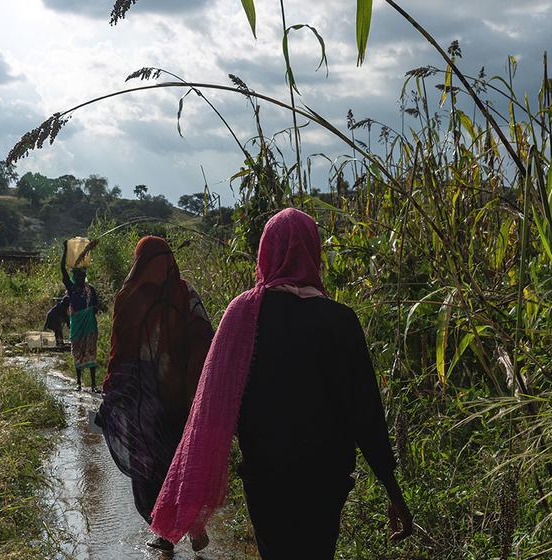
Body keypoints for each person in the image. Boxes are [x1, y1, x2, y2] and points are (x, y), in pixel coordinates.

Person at [150, 208, 413, 559]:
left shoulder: (243, 314)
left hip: (266, 479)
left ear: (265, 252)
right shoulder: (340, 321)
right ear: (313, 252)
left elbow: (214, 407)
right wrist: (393, 491)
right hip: (325, 481)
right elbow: (365, 413)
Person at [95, 236, 215, 552]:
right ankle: (188, 528)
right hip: (175, 398)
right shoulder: (185, 294)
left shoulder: (129, 295)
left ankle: (167, 531)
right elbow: (206, 340)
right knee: (178, 464)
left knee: (148, 469)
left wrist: (113, 388)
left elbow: (118, 351)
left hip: (144, 402)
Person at [61, 244, 102, 390]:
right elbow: (62, 270)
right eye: (77, 276)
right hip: (78, 325)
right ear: (74, 277)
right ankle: (78, 383)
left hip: (89, 325)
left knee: (90, 353)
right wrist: (65, 251)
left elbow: (96, 307)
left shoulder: (90, 290)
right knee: (77, 352)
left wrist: (91, 310)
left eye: (82, 275)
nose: (80, 277)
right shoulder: (71, 288)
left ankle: (93, 384)